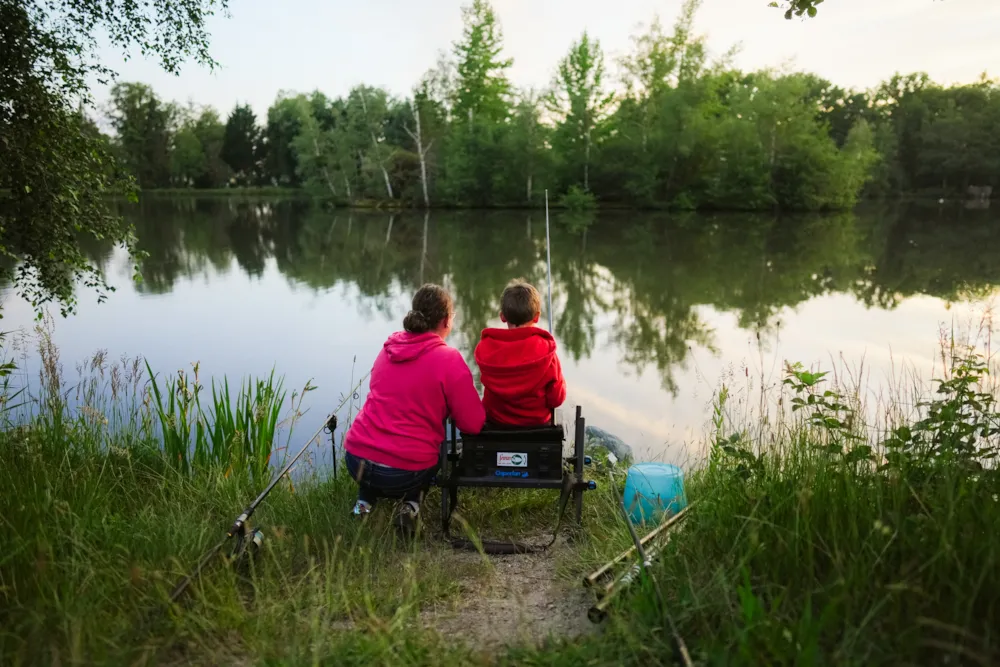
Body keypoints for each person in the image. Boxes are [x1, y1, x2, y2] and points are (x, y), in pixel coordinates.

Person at [344, 284, 485, 536]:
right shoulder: (449, 359)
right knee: (428, 451)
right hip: (405, 473)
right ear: (445, 321)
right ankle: (410, 506)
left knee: (380, 448)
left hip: (356, 461)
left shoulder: (388, 349)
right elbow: (473, 424)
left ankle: (363, 505)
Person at [474, 279, 567, 427]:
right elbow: (557, 399)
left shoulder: (487, 349)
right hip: (536, 426)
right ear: (537, 316)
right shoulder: (547, 351)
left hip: (496, 423)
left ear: (502, 316)